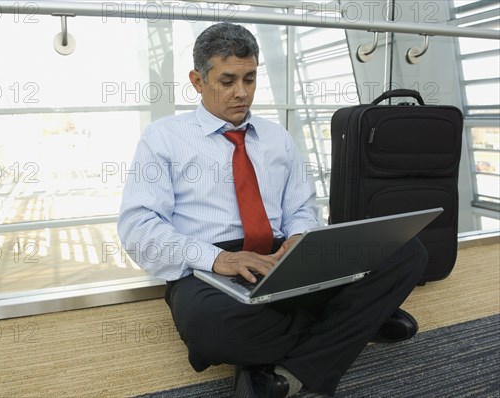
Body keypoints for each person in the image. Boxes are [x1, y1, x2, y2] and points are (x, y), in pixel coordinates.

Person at [117, 22, 427, 397]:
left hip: (283, 255)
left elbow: (300, 207)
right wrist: (216, 259)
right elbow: (140, 227)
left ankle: (285, 368)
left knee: (407, 250)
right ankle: (355, 323)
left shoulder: (277, 137)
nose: (241, 93)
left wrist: (298, 236)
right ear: (197, 80)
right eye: (227, 80)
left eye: (249, 79)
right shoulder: (163, 138)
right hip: (207, 267)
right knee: (214, 329)